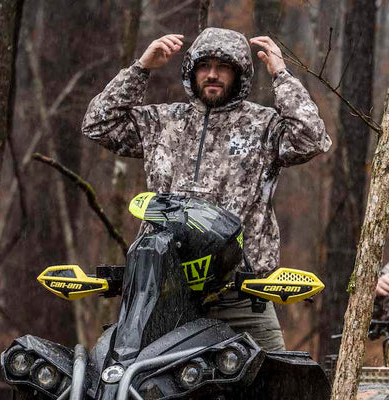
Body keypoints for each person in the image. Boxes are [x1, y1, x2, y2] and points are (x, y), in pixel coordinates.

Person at [82, 27, 331, 351]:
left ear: (239, 74)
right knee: (135, 374)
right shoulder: (163, 121)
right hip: (166, 294)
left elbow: (311, 140)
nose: (212, 74)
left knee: (278, 376)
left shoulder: (264, 125)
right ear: (191, 71)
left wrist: (281, 75)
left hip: (242, 296)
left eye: (223, 67)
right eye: (204, 66)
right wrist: (140, 68)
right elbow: (98, 124)